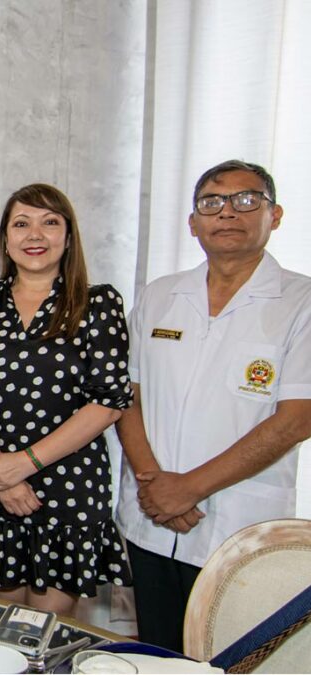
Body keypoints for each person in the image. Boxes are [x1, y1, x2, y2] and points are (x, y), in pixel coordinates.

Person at [115, 160, 311, 652]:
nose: (227, 213)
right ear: (192, 222)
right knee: (156, 650)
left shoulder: (300, 302)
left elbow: (297, 419)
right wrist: (155, 485)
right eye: (212, 202)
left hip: (235, 524)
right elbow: (127, 397)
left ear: (276, 214)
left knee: (230, 655)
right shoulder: (160, 296)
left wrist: (188, 489)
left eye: (247, 200)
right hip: (150, 518)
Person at [0, 184, 132, 615]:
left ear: (68, 236)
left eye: (50, 223)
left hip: (67, 484)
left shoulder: (98, 303)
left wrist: (23, 464)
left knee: (43, 629)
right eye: (21, 224)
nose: (35, 235)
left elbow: (109, 400)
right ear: (6, 239)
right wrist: (0, 472)